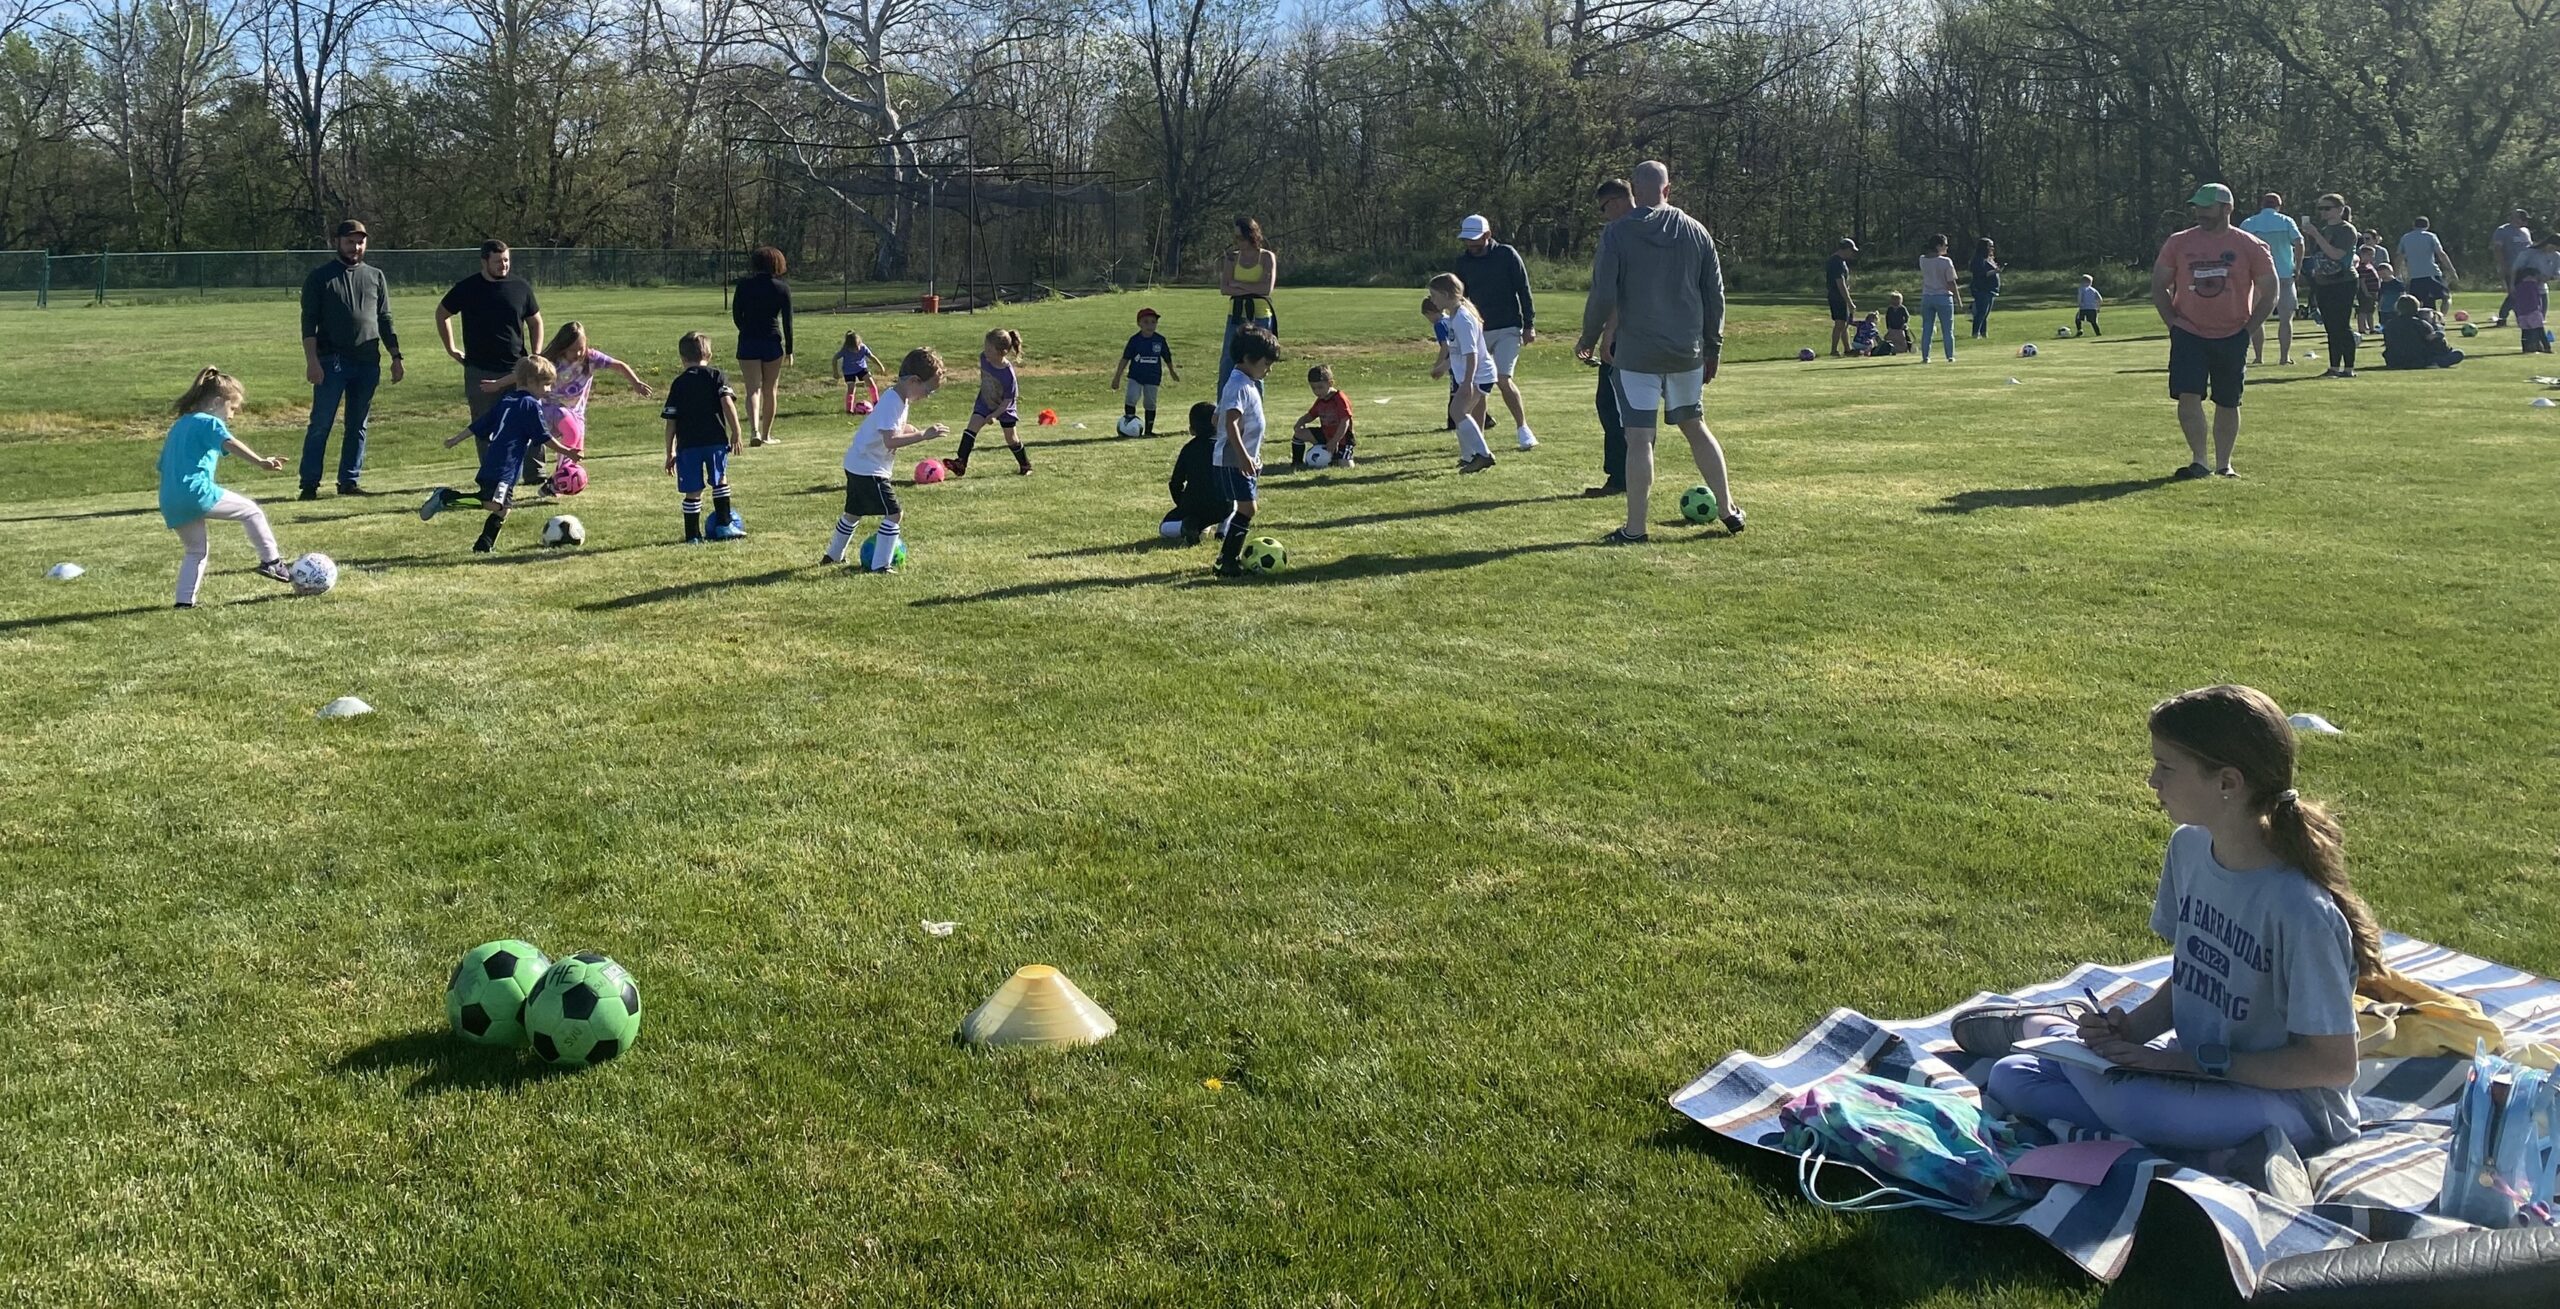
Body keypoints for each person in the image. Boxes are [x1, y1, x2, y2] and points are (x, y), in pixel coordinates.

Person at [1956, 685, 2374, 1160]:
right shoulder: (2190, 848)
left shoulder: (2300, 910)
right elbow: (2193, 976)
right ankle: (2058, 1040)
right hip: (2188, 1073)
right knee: (2013, 1077)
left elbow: (2333, 1064)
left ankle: (2046, 1032)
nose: (2153, 780)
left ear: (2227, 783)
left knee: (2136, 1109)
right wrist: (2129, 1033)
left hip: (2289, 1105)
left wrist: (2185, 1064)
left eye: (2167, 767)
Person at [1574, 158, 1743, 543]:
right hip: (1687, 351)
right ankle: (1727, 508)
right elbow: (1714, 296)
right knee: (1696, 428)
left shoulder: (1616, 234)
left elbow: (1603, 293)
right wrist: (1713, 347)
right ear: (1668, 189)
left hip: (1636, 355)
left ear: (1634, 190)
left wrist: (1587, 338)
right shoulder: (1697, 232)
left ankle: (1635, 529)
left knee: (1638, 438)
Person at [2154, 183, 2277, 479]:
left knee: (2228, 399)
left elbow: (2270, 291)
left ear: (2226, 209)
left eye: (2206, 208)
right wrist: (2173, 324)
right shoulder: (2178, 243)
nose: (2200, 213)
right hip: (2188, 331)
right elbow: (2159, 285)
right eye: (2196, 207)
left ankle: (2225, 464)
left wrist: (2248, 331)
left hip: (2233, 333)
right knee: (2188, 394)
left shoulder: (2249, 245)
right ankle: (2199, 461)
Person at [159, 367, 293, 607]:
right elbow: (229, 442)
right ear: (218, 402)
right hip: (197, 493)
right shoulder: (209, 422)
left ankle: (184, 602)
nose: (231, 417)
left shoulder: (180, 425)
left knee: (196, 551)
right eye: (232, 409)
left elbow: (163, 466)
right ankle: (271, 562)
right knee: (251, 511)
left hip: (169, 499)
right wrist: (261, 462)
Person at [417, 355, 574, 552]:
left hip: (496, 461)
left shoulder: (507, 400)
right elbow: (543, 437)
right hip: (504, 466)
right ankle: (446, 498)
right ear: (532, 382)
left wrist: (456, 439)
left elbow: (481, 424)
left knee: (504, 508)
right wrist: (568, 451)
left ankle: (484, 545)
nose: (549, 389)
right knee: (493, 504)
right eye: (546, 384)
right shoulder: (530, 404)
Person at [297, 219, 403, 499]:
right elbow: (308, 323)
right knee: (321, 423)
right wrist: (312, 361)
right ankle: (309, 484)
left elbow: (385, 318)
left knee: (358, 424)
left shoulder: (375, 276)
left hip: (368, 362)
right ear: (338, 242)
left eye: (360, 242)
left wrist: (396, 355)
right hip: (332, 361)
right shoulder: (320, 277)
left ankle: (349, 481)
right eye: (350, 242)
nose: (355, 247)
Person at [822, 347, 950, 572]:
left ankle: (832, 556)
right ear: (914, 381)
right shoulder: (893, 402)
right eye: (929, 390)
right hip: (869, 469)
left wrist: (911, 429)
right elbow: (891, 441)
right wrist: (922, 435)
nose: (927, 396)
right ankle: (881, 565)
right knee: (894, 514)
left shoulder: (899, 398)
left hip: (858, 463)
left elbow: (894, 429)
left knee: (853, 512)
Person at [435, 240, 544, 481]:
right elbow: (442, 314)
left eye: (506, 260)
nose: (503, 265)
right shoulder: (467, 288)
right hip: (480, 369)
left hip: (518, 368)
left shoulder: (520, 287)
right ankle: (493, 475)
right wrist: (451, 348)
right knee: (485, 425)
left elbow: (536, 322)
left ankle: (535, 472)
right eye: (498, 261)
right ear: (484, 261)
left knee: (531, 417)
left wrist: (535, 355)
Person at [522, 321, 651, 496]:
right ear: (563, 347)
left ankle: (554, 484)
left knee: (575, 453)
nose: (578, 353)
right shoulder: (551, 361)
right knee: (571, 432)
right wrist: (499, 384)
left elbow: (619, 366)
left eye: (581, 348)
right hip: (550, 408)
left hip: (576, 413)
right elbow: (526, 372)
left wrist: (635, 383)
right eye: (573, 349)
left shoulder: (591, 358)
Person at [1454, 214, 1541, 451]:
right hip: (1479, 331)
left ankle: (1523, 429)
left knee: (1503, 379)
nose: (1471, 245)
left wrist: (1529, 325)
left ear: (1487, 235)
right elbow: (1460, 298)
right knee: (1480, 386)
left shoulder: (1507, 255)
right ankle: (1479, 441)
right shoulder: (1463, 263)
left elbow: (1523, 290)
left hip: (1508, 327)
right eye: (1467, 241)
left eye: (1475, 240)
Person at [658, 332, 745, 542]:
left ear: (682, 358)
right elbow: (727, 403)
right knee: (720, 480)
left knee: (693, 489)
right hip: (715, 440)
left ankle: (693, 536)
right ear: (710, 354)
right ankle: (725, 526)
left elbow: (671, 421)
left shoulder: (678, 383)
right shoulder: (717, 376)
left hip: (687, 445)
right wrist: (736, 430)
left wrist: (670, 450)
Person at [1211, 325, 1280, 578]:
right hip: (1234, 460)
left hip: (1241, 458)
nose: (1268, 369)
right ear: (1249, 359)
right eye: (1266, 363)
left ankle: (1228, 558)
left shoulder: (1243, 382)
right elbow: (1229, 422)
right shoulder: (1239, 384)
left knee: (1244, 509)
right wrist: (1242, 456)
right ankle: (1226, 561)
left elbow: (1218, 417)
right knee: (1247, 509)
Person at [1585, 180, 1636, 498]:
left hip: (1625, 337)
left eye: (1604, 208)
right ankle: (1630, 473)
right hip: (1657, 334)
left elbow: (1614, 293)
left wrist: (1603, 336)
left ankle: (1621, 477)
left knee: (1615, 406)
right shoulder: (1657, 228)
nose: (1604, 216)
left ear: (1615, 202)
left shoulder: (1618, 234)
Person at [1430, 272, 1500, 473]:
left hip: (1479, 375)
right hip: (1472, 375)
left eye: (1434, 295)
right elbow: (1457, 351)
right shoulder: (1453, 316)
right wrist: (1443, 368)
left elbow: (1472, 353)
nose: (1432, 300)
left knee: (1457, 411)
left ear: (1445, 294)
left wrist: (1468, 382)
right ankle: (1470, 455)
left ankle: (1483, 455)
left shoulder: (1462, 318)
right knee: (1460, 413)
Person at [730, 246, 794, 446]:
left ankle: (754, 430)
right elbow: (788, 322)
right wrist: (790, 349)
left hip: (748, 340)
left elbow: (736, 315)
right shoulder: (782, 288)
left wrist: (746, 329)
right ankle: (766, 434)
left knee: (752, 389)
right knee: (770, 389)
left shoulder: (744, 285)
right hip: (772, 340)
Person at [949, 328, 1030, 477]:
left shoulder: (1008, 374)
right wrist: (988, 409)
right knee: (971, 428)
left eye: (989, 349)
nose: (985, 352)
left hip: (1004, 408)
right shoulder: (984, 358)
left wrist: (994, 415)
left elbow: (1008, 400)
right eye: (985, 347)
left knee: (1011, 438)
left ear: (1003, 352)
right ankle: (960, 463)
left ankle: (1025, 465)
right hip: (985, 402)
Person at [2300, 194, 2363, 377]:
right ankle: (2334, 367)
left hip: (2343, 281)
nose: (2323, 212)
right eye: (2320, 208)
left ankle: (2349, 368)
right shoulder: (2325, 229)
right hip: (2324, 282)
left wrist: (2316, 235)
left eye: (2327, 208)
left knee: (2342, 325)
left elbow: (2336, 254)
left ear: (2340, 210)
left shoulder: (2346, 230)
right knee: (2330, 326)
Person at [2237, 193, 2303, 366]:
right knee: (2285, 318)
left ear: (2262, 205)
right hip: (2284, 274)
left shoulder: (2249, 223)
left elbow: (2239, 247)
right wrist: (2298, 266)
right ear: (2279, 206)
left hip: (2258, 275)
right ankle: (2284, 357)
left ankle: (2258, 357)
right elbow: (2299, 242)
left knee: (2257, 317)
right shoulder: (2286, 221)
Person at [1216, 216, 1278, 394]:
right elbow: (1225, 289)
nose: (1238, 242)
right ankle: (1222, 409)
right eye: (1235, 238)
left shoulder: (1267, 257)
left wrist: (1239, 284)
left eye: (1241, 238)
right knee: (1229, 360)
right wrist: (1250, 289)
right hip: (1236, 315)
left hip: (1260, 315)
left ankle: (1255, 410)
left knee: (1258, 361)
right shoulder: (1232, 258)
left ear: (1252, 235)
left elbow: (1266, 289)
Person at [1162, 401, 1226, 544]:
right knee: (1233, 507)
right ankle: (1223, 531)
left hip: (1194, 505)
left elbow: (1175, 483)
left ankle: (1186, 526)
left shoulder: (1188, 449)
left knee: (1164, 527)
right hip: (1222, 504)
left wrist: (1183, 505)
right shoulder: (1224, 447)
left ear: (1192, 429)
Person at [1111, 308, 1180, 436]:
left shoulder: (1160, 340)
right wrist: (1117, 377)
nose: (1150, 325)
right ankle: (1129, 425)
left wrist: (1172, 371)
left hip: (1153, 377)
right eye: (1146, 322)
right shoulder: (1135, 340)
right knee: (1131, 398)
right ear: (1139, 324)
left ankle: (1149, 431)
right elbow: (1125, 358)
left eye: (1153, 322)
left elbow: (1167, 357)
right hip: (1135, 376)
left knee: (1150, 403)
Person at [1291, 363, 1356, 468]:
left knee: (1345, 466)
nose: (1317, 391)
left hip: (1342, 438)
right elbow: (1311, 415)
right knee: (1299, 434)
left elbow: (1345, 422)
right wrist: (1300, 422)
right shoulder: (1321, 399)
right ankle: (1297, 462)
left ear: (1330, 383)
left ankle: (1336, 457)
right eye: (1313, 388)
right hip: (1326, 434)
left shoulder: (1339, 398)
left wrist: (1335, 441)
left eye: (1320, 387)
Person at [2380, 295, 2465, 368]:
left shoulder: (2389, 325)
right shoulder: (2421, 324)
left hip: (2394, 361)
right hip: (2419, 360)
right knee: (2458, 354)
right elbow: (2437, 345)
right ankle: (2434, 363)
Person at [1916, 235, 1961, 362]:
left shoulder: (1922, 259)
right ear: (1938, 246)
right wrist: (1958, 299)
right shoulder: (1946, 262)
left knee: (1927, 328)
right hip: (1943, 297)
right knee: (1947, 329)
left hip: (1927, 296)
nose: (1947, 247)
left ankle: (1926, 356)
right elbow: (1951, 283)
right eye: (1945, 245)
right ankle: (1950, 356)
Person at [2513, 232, 2560, 353]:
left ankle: (2537, 345)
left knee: (2538, 320)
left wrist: (2550, 277)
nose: (2553, 250)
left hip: (2541, 290)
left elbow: (2557, 272)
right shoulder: (2529, 253)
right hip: (2523, 290)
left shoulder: (2556, 256)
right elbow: (2516, 270)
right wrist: (2511, 287)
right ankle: (2532, 345)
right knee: (2527, 321)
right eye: (2553, 246)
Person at [2397, 217, 2454, 315]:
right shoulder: (2430, 236)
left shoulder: (2405, 237)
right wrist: (2451, 269)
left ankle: (2426, 320)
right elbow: (2441, 253)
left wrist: (2397, 272)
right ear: (2427, 225)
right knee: (2446, 297)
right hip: (2431, 273)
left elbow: (2399, 256)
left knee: (2422, 302)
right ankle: (2441, 318)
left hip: (2414, 275)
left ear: (2413, 225)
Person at [2490, 209, 2534, 327]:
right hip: (2511, 267)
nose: (2525, 222)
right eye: (2523, 218)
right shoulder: (2502, 231)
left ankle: (2522, 317)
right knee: (2514, 293)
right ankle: (2502, 317)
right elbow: (2497, 249)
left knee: (2524, 293)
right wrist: (2502, 266)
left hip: (2527, 268)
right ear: (2515, 218)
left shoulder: (2525, 231)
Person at [1825, 238, 1859, 356]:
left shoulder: (1841, 261)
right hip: (1837, 296)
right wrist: (1849, 302)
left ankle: (1847, 349)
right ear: (1845, 249)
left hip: (1840, 296)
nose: (1852, 253)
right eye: (1851, 250)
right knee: (1840, 323)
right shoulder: (1836, 262)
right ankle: (1833, 350)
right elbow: (1840, 283)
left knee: (1844, 323)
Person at [834, 331, 879, 412]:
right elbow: (834, 359)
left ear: (860, 343)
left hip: (861, 368)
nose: (855, 350)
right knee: (851, 388)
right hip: (849, 371)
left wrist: (881, 366)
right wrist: (835, 372)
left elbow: (871, 356)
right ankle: (849, 410)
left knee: (871, 383)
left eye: (857, 347)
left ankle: (877, 404)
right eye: (853, 349)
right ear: (848, 347)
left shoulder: (863, 348)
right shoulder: (845, 350)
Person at [1968, 237, 2001, 339]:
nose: (1992, 248)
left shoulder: (1989, 259)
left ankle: (1983, 333)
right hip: (1982, 289)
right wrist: (1995, 271)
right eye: (1990, 246)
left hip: (1991, 290)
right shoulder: (1978, 260)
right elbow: (1981, 274)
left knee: (1985, 314)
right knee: (1981, 312)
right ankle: (1975, 333)